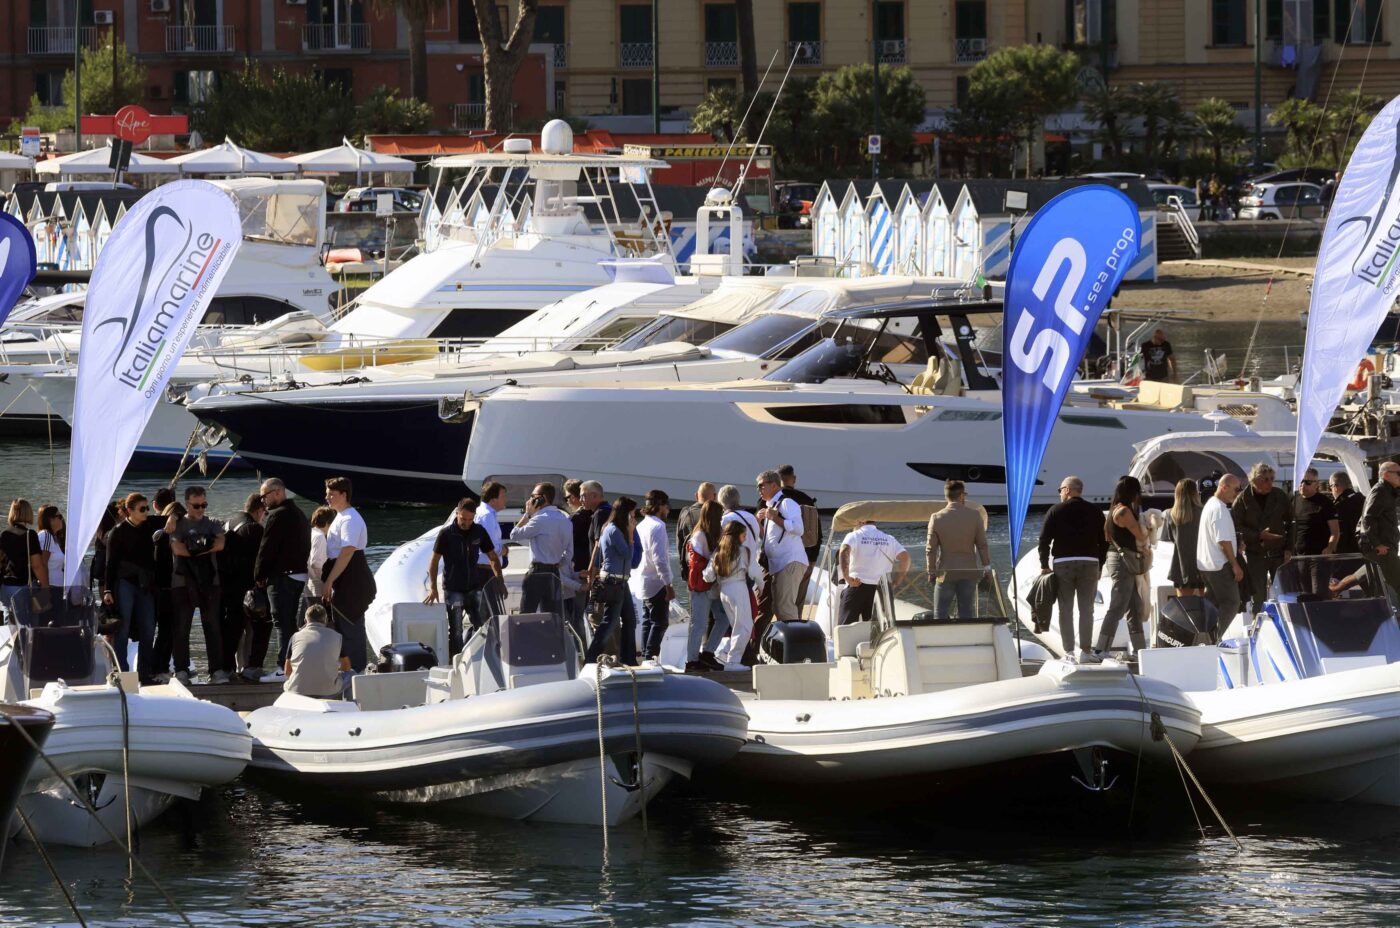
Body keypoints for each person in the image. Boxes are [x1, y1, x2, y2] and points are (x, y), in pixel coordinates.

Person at [1037, 475, 1108, 661]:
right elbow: (1104, 541)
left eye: (1060, 490)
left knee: (1065, 609)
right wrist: (1100, 564)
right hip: (1090, 562)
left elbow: (1044, 540)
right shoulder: (1095, 511)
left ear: (1067, 490)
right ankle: (1085, 652)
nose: (1060, 493)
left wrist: (1044, 564)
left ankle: (1068, 652)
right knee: (1087, 609)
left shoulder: (1055, 510)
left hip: (1063, 563)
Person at [163, 486, 226, 685]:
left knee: (213, 627)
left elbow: (220, 544)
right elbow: (177, 548)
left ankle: (216, 671)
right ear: (187, 504)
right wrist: (203, 548)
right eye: (196, 505)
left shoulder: (213, 523)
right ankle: (181, 669)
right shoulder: (178, 524)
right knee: (181, 628)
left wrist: (193, 547)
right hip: (183, 583)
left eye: (203, 505)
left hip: (210, 582)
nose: (200, 509)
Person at [426, 497, 504, 656]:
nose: (466, 523)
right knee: (455, 630)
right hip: (453, 588)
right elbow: (433, 562)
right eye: (463, 519)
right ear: (457, 513)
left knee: (481, 625)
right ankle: (457, 661)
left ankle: (481, 657)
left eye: (470, 519)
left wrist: (500, 580)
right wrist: (433, 588)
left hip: (474, 587)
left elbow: (493, 557)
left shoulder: (479, 531)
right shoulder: (446, 534)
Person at [252, 478, 311, 682]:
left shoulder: (278, 515)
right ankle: (293, 665)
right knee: (290, 622)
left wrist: (259, 575)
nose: (263, 501)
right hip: (299, 575)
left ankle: (282, 668)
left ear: (277, 492)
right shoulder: (300, 514)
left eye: (264, 496)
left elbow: (266, 548)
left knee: (281, 622)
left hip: (282, 576)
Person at [322, 477, 376, 673]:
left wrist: (329, 581)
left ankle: (357, 671)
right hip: (346, 580)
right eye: (327, 493)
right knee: (343, 626)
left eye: (331, 494)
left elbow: (347, 552)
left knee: (350, 625)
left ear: (344, 495)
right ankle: (349, 669)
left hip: (351, 581)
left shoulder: (350, 519)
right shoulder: (341, 516)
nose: (327, 497)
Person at [102, 493, 157, 680]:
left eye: (147, 508)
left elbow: (168, 516)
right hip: (125, 583)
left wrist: (173, 517)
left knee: (149, 628)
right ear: (130, 510)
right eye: (142, 509)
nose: (146, 512)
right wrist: (108, 590)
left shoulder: (148, 526)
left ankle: (144, 672)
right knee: (122, 628)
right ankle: (122, 671)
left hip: (145, 584)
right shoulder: (117, 532)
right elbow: (110, 564)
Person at [1094, 475, 1149, 656]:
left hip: (1119, 560)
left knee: (1134, 606)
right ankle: (1101, 649)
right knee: (1118, 606)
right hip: (1123, 561)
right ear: (1132, 492)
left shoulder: (1114, 510)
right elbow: (1140, 536)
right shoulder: (1125, 512)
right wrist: (1149, 527)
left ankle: (1140, 650)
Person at [1232, 462, 1292, 615]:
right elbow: (1235, 528)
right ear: (1255, 479)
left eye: (1272, 478)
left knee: (1284, 595)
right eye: (1266, 479)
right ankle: (1257, 629)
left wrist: (1289, 549)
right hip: (1256, 555)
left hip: (1278, 554)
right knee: (1258, 597)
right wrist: (1257, 535)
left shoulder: (1279, 496)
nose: (1270, 482)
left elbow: (1291, 523)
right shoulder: (1243, 498)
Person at [584, 498, 639, 665]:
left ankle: (629, 659)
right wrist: (630, 534)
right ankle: (591, 658)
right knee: (609, 621)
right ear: (625, 514)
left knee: (629, 619)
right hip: (614, 582)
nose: (634, 517)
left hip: (621, 581)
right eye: (632, 513)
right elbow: (627, 554)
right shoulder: (614, 530)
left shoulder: (610, 529)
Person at [219, 493, 266, 684]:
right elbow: (260, 559)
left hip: (226, 584)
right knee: (252, 628)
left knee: (231, 628)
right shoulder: (254, 528)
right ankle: (248, 668)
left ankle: (228, 667)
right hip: (246, 586)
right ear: (259, 510)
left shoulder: (230, 522)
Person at [926, 480, 989, 620]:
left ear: (946, 496)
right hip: (969, 571)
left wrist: (931, 571)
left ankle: (942, 640)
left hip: (945, 573)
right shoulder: (975, 515)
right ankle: (967, 639)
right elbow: (982, 545)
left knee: (940, 613)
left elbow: (931, 549)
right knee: (966, 612)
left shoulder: (936, 518)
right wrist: (987, 567)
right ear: (961, 496)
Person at [510, 481, 574, 618]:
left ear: (542, 498)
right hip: (554, 574)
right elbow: (569, 554)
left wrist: (527, 514)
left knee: (526, 615)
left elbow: (514, 534)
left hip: (537, 573)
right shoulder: (565, 520)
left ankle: (524, 639)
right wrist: (557, 564)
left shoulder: (539, 519)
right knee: (552, 617)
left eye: (533, 496)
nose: (530, 500)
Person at [704, 520, 759, 670]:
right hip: (738, 588)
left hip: (724, 590)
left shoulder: (718, 552)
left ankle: (725, 653)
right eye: (744, 535)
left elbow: (707, 576)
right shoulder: (744, 551)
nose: (745, 538)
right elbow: (755, 572)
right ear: (737, 536)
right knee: (745, 627)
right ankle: (733, 661)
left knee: (736, 625)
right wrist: (761, 585)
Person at [756, 469, 808, 622]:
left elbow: (799, 529)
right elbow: (769, 538)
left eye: (761, 486)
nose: (759, 489)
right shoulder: (772, 507)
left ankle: (796, 644)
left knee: (785, 608)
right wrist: (759, 523)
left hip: (789, 562)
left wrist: (775, 518)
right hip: (778, 564)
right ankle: (790, 643)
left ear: (774, 485)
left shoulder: (786, 503)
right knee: (779, 608)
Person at [684, 500, 728, 673]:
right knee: (699, 624)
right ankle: (692, 660)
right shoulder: (700, 536)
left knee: (723, 618)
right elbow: (698, 562)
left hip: (712, 585)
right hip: (701, 586)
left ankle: (707, 653)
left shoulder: (711, 533)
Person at [839, 518, 910, 625]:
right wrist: (896, 582)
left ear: (860, 521)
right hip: (882, 588)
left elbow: (844, 551)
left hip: (857, 585)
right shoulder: (889, 539)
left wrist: (847, 577)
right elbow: (906, 558)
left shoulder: (854, 535)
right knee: (881, 629)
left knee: (845, 627)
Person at [1198, 474, 1245, 624]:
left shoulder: (1211, 504)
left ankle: (1207, 638)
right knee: (1232, 602)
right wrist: (1235, 565)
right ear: (1224, 487)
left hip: (1208, 565)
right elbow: (1223, 541)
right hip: (1219, 565)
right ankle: (1215, 638)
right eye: (1236, 489)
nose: (1238, 493)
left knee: (1211, 605)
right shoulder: (1219, 509)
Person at [635, 490, 674, 662]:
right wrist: (669, 584)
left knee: (647, 621)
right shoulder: (658, 526)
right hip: (656, 582)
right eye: (667, 507)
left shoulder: (641, 525)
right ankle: (650, 658)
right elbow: (660, 559)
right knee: (660, 623)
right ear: (660, 506)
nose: (668, 511)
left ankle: (645, 657)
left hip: (642, 580)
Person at [283, 604, 350, 699]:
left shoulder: (295, 637)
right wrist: (335, 671)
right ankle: (349, 710)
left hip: (297, 691)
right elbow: (346, 667)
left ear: (305, 621)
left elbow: (287, 671)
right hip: (328, 691)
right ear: (326, 620)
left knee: (289, 681)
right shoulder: (337, 637)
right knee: (351, 675)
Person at [149, 492, 180, 683]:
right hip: (165, 588)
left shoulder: (159, 534)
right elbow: (162, 563)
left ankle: (161, 666)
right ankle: (158, 667)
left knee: (167, 630)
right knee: (167, 630)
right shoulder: (162, 536)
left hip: (165, 587)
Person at [1359, 461, 1400, 599]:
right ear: (1387, 475)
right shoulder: (1380, 491)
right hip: (1382, 548)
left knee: (1377, 583)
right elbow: (1368, 518)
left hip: (1386, 546)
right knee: (1395, 584)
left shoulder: (1387, 491)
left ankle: (1336, 587)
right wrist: (1377, 544)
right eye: (1398, 473)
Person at [1164, 479, 1205, 596]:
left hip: (1181, 563)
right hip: (1203, 561)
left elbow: (1172, 538)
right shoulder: (1203, 512)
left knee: (1184, 606)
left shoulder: (1171, 514)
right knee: (1208, 605)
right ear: (1195, 493)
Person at [778, 464, 822, 563]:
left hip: (777, 558)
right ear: (794, 479)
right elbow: (817, 533)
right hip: (803, 557)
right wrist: (812, 560)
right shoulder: (807, 500)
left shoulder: (770, 500)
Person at [1292, 468, 1339, 557]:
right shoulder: (1294, 500)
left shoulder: (1325, 503)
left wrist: (1329, 548)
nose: (1303, 485)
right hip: (1298, 555)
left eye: (1307, 482)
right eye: (1301, 481)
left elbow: (1335, 531)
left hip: (1319, 555)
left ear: (1316, 484)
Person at [304, 506, 337, 611]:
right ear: (328, 522)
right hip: (318, 588)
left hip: (308, 586)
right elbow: (316, 563)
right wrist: (326, 583)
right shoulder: (320, 536)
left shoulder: (309, 533)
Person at [675, 482, 717, 556]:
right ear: (715, 496)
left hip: (691, 562)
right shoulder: (719, 515)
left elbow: (679, 541)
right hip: (712, 563)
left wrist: (682, 564)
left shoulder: (685, 513)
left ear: (696, 495)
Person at [1330, 471, 1365, 555]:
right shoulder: (1365, 500)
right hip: (1365, 550)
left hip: (1346, 553)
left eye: (1330, 487)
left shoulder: (1339, 506)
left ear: (1335, 486)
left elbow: (1340, 533)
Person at [35, 505, 68, 590]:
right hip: (51, 587)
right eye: (59, 516)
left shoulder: (53, 537)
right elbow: (42, 564)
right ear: (50, 519)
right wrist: (45, 590)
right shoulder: (46, 536)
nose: (62, 519)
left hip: (57, 586)